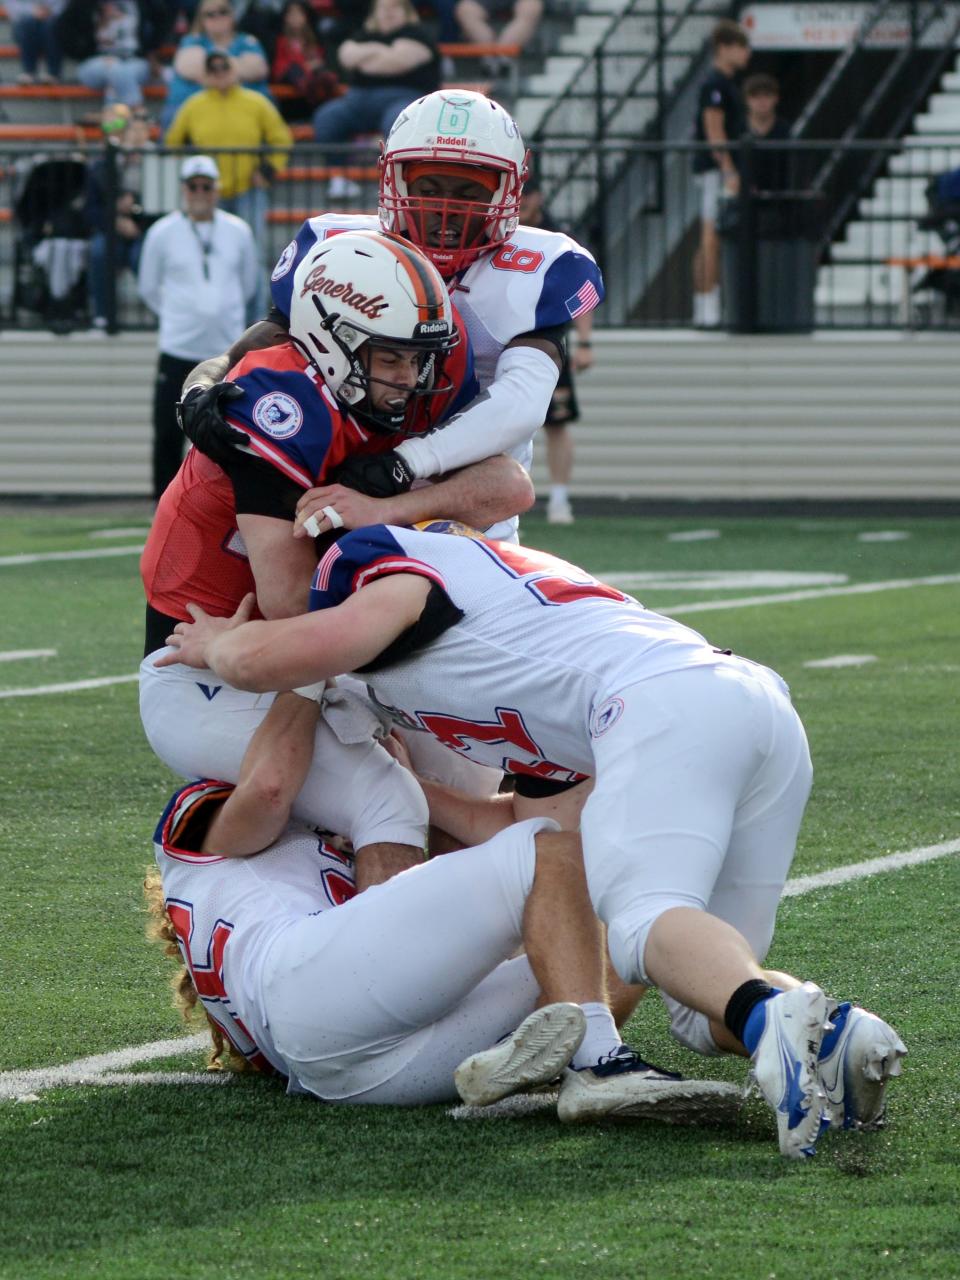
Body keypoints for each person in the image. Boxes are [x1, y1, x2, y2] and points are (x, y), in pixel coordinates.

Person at [160, 520, 908, 1157]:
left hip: (660, 703)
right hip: (745, 701)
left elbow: (279, 710)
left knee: (644, 927)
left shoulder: (389, 569)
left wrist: (228, 649)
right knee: (673, 965)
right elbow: (278, 790)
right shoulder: (501, 600)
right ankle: (825, 1032)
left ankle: (700, 1039)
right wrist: (399, 787)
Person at [138, 231, 533, 894]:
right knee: (389, 800)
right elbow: (291, 599)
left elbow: (510, 486)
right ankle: (383, 983)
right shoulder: (280, 406)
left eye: (418, 357)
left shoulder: (380, 383)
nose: (412, 377)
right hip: (214, 663)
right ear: (333, 337)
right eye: (394, 358)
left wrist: (389, 497)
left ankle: (478, 962)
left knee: (472, 776)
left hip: (324, 646)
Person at [146, 686, 736, 1115]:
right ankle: (601, 1062)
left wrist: (408, 785)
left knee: (612, 924)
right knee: (555, 855)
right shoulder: (205, 822)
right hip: (307, 989)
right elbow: (270, 786)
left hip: (359, 1070)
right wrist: (305, 671)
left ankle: (555, 1052)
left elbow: (497, 842)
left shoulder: (321, 845)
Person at [178, 89, 603, 549]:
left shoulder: (539, 268)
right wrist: (200, 386)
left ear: (510, 189)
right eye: (429, 188)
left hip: (460, 513)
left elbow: (520, 404)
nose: (447, 209)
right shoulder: (340, 245)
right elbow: (266, 341)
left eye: (469, 193)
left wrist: (407, 463)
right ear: (393, 177)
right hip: (337, 492)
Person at [137, 155, 259, 500]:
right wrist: (179, 316)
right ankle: (162, 499)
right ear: (183, 190)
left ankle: (222, 499)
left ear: (217, 190)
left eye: (207, 186)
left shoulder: (238, 230)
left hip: (223, 350)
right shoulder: (162, 232)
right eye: (194, 186)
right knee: (166, 428)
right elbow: (148, 286)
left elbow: (249, 284)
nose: (200, 192)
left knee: (225, 427)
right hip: (178, 347)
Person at [165, 50, 292, 316]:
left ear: (234, 70)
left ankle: (255, 319)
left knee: (251, 256)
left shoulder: (256, 102)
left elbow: (281, 138)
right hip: (208, 193)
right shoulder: (194, 105)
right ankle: (211, 312)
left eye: (225, 67)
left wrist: (268, 170)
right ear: (205, 75)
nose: (220, 73)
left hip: (248, 188)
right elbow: (172, 143)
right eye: (214, 69)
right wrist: (191, 171)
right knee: (208, 255)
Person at [518, 177, 594, 525]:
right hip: (503, 342)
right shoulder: (496, 232)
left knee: (557, 423)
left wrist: (584, 342)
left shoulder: (555, 240)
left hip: (547, 344)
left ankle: (560, 499)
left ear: (538, 198)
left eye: (524, 197)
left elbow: (580, 294)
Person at [311, 0, 440, 198]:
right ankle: (339, 177)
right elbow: (346, 56)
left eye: (395, 7)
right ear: (374, 13)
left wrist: (365, 57)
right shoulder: (362, 34)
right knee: (327, 117)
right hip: (356, 102)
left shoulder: (420, 35)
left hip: (404, 100)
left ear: (407, 12)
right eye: (383, 8)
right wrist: (384, 51)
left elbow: (394, 63)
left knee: (399, 121)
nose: (389, 12)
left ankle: (393, 182)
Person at [692, 19, 750, 328]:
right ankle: (706, 305)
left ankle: (706, 304)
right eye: (741, 47)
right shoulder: (714, 84)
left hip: (717, 170)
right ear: (724, 48)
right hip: (715, 171)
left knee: (711, 237)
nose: (746, 54)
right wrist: (728, 169)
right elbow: (714, 131)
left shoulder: (726, 84)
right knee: (710, 237)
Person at [84, 102, 155, 329]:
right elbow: (91, 209)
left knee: (146, 256)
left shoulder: (157, 162)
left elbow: (164, 209)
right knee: (99, 252)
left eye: (140, 130)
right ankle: (102, 315)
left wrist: (139, 220)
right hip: (112, 228)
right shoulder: (103, 165)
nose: (135, 136)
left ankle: (158, 314)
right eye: (130, 129)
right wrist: (115, 218)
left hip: (146, 230)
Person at [162, 0, 271, 129]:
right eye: (210, 14)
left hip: (243, 108)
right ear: (201, 18)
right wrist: (234, 68)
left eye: (223, 11)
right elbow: (188, 67)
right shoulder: (191, 41)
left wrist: (211, 68)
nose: (217, 17)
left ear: (232, 15)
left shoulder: (248, 41)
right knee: (173, 116)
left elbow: (257, 69)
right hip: (192, 107)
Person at [59, 0, 167, 108]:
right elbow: (62, 28)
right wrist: (81, 52)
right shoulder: (84, 3)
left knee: (116, 78)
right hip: (95, 62)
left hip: (134, 60)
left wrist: (152, 49)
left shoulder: (145, 3)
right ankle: (137, 111)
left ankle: (113, 118)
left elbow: (163, 19)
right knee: (116, 68)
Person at [271, 1, 340, 122]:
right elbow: (281, 67)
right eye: (291, 14)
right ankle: (309, 85)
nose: (295, 18)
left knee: (321, 71)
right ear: (285, 17)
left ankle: (324, 82)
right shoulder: (280, 41)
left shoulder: (313, 40)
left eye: (299, 14)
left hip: (311, 79)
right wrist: (306, 66)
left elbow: (318, 61)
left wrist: (312, 66)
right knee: (294, 69)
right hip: (291, 78)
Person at [743, 72, 792, 195]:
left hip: (779, 196)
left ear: (776, 98)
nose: (761, 102)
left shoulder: (784, 129)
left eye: (767, 96)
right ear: (746, 100)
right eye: (756, 96)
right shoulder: (737, 128)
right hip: (744, 196)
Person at [9, 0, 66, 85]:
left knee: (51, 25)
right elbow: (12, 6)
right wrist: (33, 12)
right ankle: (29, 71)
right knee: (27, 23)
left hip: (54, 21)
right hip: (25, 23)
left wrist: (49, 12)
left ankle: (52, 73)